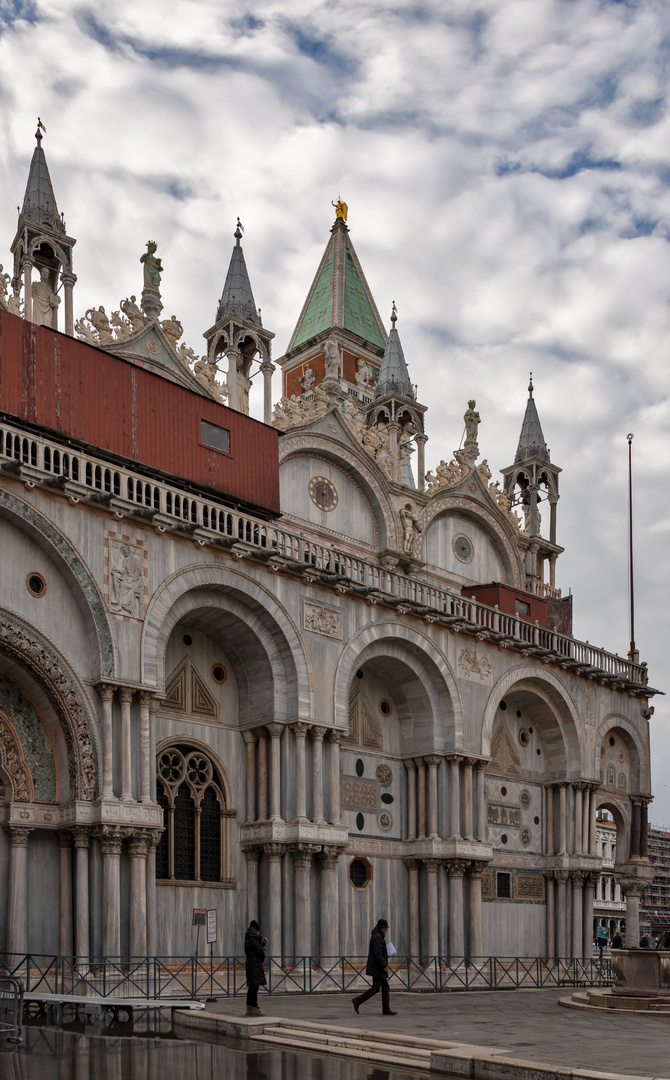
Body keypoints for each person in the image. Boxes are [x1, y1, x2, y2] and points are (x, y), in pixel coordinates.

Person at [352, 918, 397, 1016]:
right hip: (378, 968)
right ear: (383, 928)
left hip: (378, 967)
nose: (386, 930)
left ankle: (386, 1009)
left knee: (385, 987)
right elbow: (377, 953)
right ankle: (357, 1000)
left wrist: (386, 956)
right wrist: (384, 965)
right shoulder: (378, 937)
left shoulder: (377, 936)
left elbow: (379, 952)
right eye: (386, 928)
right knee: (376, 988)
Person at [244, 919, 267, 1017]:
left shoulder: (248, 939)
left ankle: (249, 1008)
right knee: (255, 987)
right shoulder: (254, 939)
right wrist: (262, 958)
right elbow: (260, 951)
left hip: (250, 963)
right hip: (255, 965)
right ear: (256, 930)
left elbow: (255, 949)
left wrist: (262, 943)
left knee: (251, 987)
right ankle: (254, 1008)